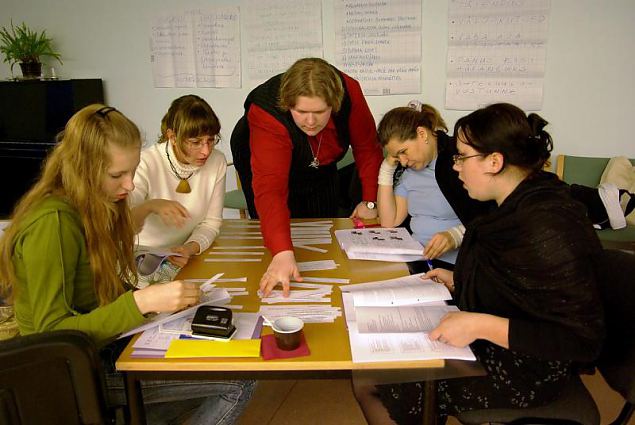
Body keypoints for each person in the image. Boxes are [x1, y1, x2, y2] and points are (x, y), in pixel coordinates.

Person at [0, 104, 253, 424]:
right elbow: (50, 336)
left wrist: (150, 301)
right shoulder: (53, 222)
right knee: (238, 382)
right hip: (71, 371)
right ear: (83, 169)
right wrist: (141, 301)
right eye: (118, 175)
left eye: (132, 171)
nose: (130, 185)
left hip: (103, 345)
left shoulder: (92, 203)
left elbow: (99, 283)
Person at [354, 103, 605, 424]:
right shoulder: (512, 207)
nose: (455, 167)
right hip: (499, 344)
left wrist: (478, 324)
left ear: (494, 162)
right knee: (373, 372)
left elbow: (581, 340)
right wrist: (460, 279)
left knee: (376, 381)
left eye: (461, 157)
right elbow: (521, 289)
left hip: (527, 369)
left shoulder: (545, 226)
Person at [230, 57, 383, 296]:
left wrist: (370, 201)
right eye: (301, 111)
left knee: (323, 220)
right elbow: (271, 189)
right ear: (287, 104)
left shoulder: (349, 92)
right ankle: (278, 262)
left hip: (322, 158)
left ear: (334, 104)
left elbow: (367, 147)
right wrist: (282, 251)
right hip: (265, 153)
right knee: (277, 233)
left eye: (320, 112)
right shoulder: (267, 112)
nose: (310, 122)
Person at [376, 101, 492, 267]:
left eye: (403, 152)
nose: (403, 161)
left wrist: (456, 235)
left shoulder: (459, 160)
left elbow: (489, 215)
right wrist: (386, 170)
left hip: (458, 264)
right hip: (418, 260)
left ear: (422, 134)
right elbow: (389, 221)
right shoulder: (408, 172)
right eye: (396, 156)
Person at [130, 95, 227, 283]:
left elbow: (211, 223)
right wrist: (152, 205)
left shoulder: (217, 161)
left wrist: (190, 248)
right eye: (196, 142)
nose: (206, 151)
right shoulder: (145, 162)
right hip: (139, 256)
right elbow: (124, 220)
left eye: (211, 140)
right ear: (172, 137)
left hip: (181, 256)